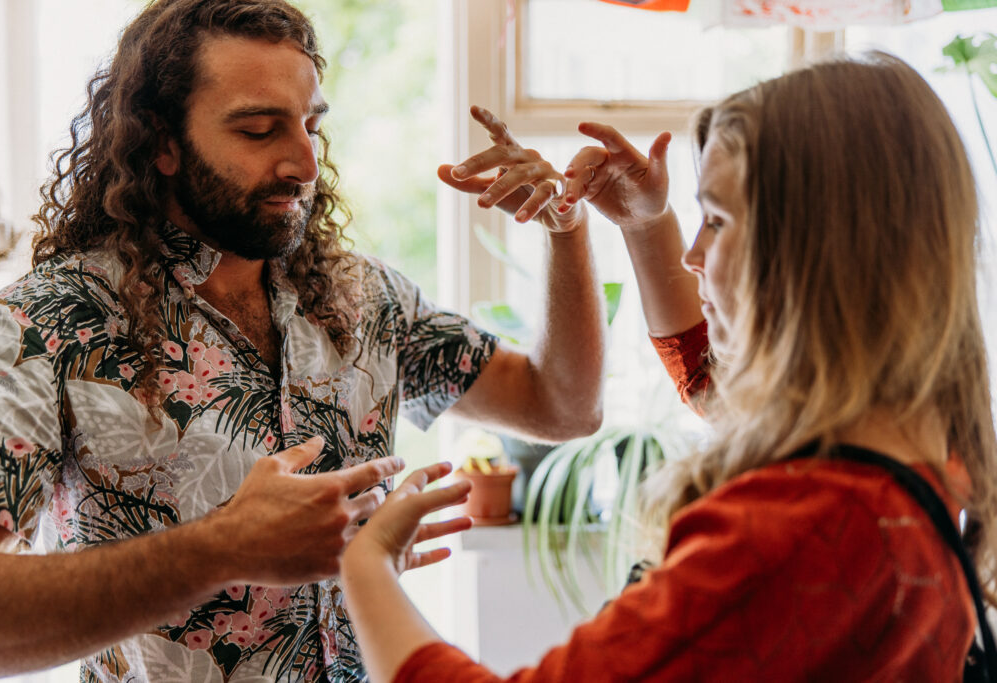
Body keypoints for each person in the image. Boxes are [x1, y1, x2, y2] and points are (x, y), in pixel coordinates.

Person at [0, 1, 606, 680]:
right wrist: (219, 549)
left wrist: (565, 229)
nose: (305, 161)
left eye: (311, 125)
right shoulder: (47, 325)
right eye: (258, 129)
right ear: (160, 141)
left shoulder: (365, 298)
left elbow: (561, 404)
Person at [339, 52, 997, 681]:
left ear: (807, 252)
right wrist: (646, 225)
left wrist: (364, 562)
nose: (694, 253)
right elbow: (716, 385)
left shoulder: (796, 527)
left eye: (715, 218)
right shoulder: (926, 461)